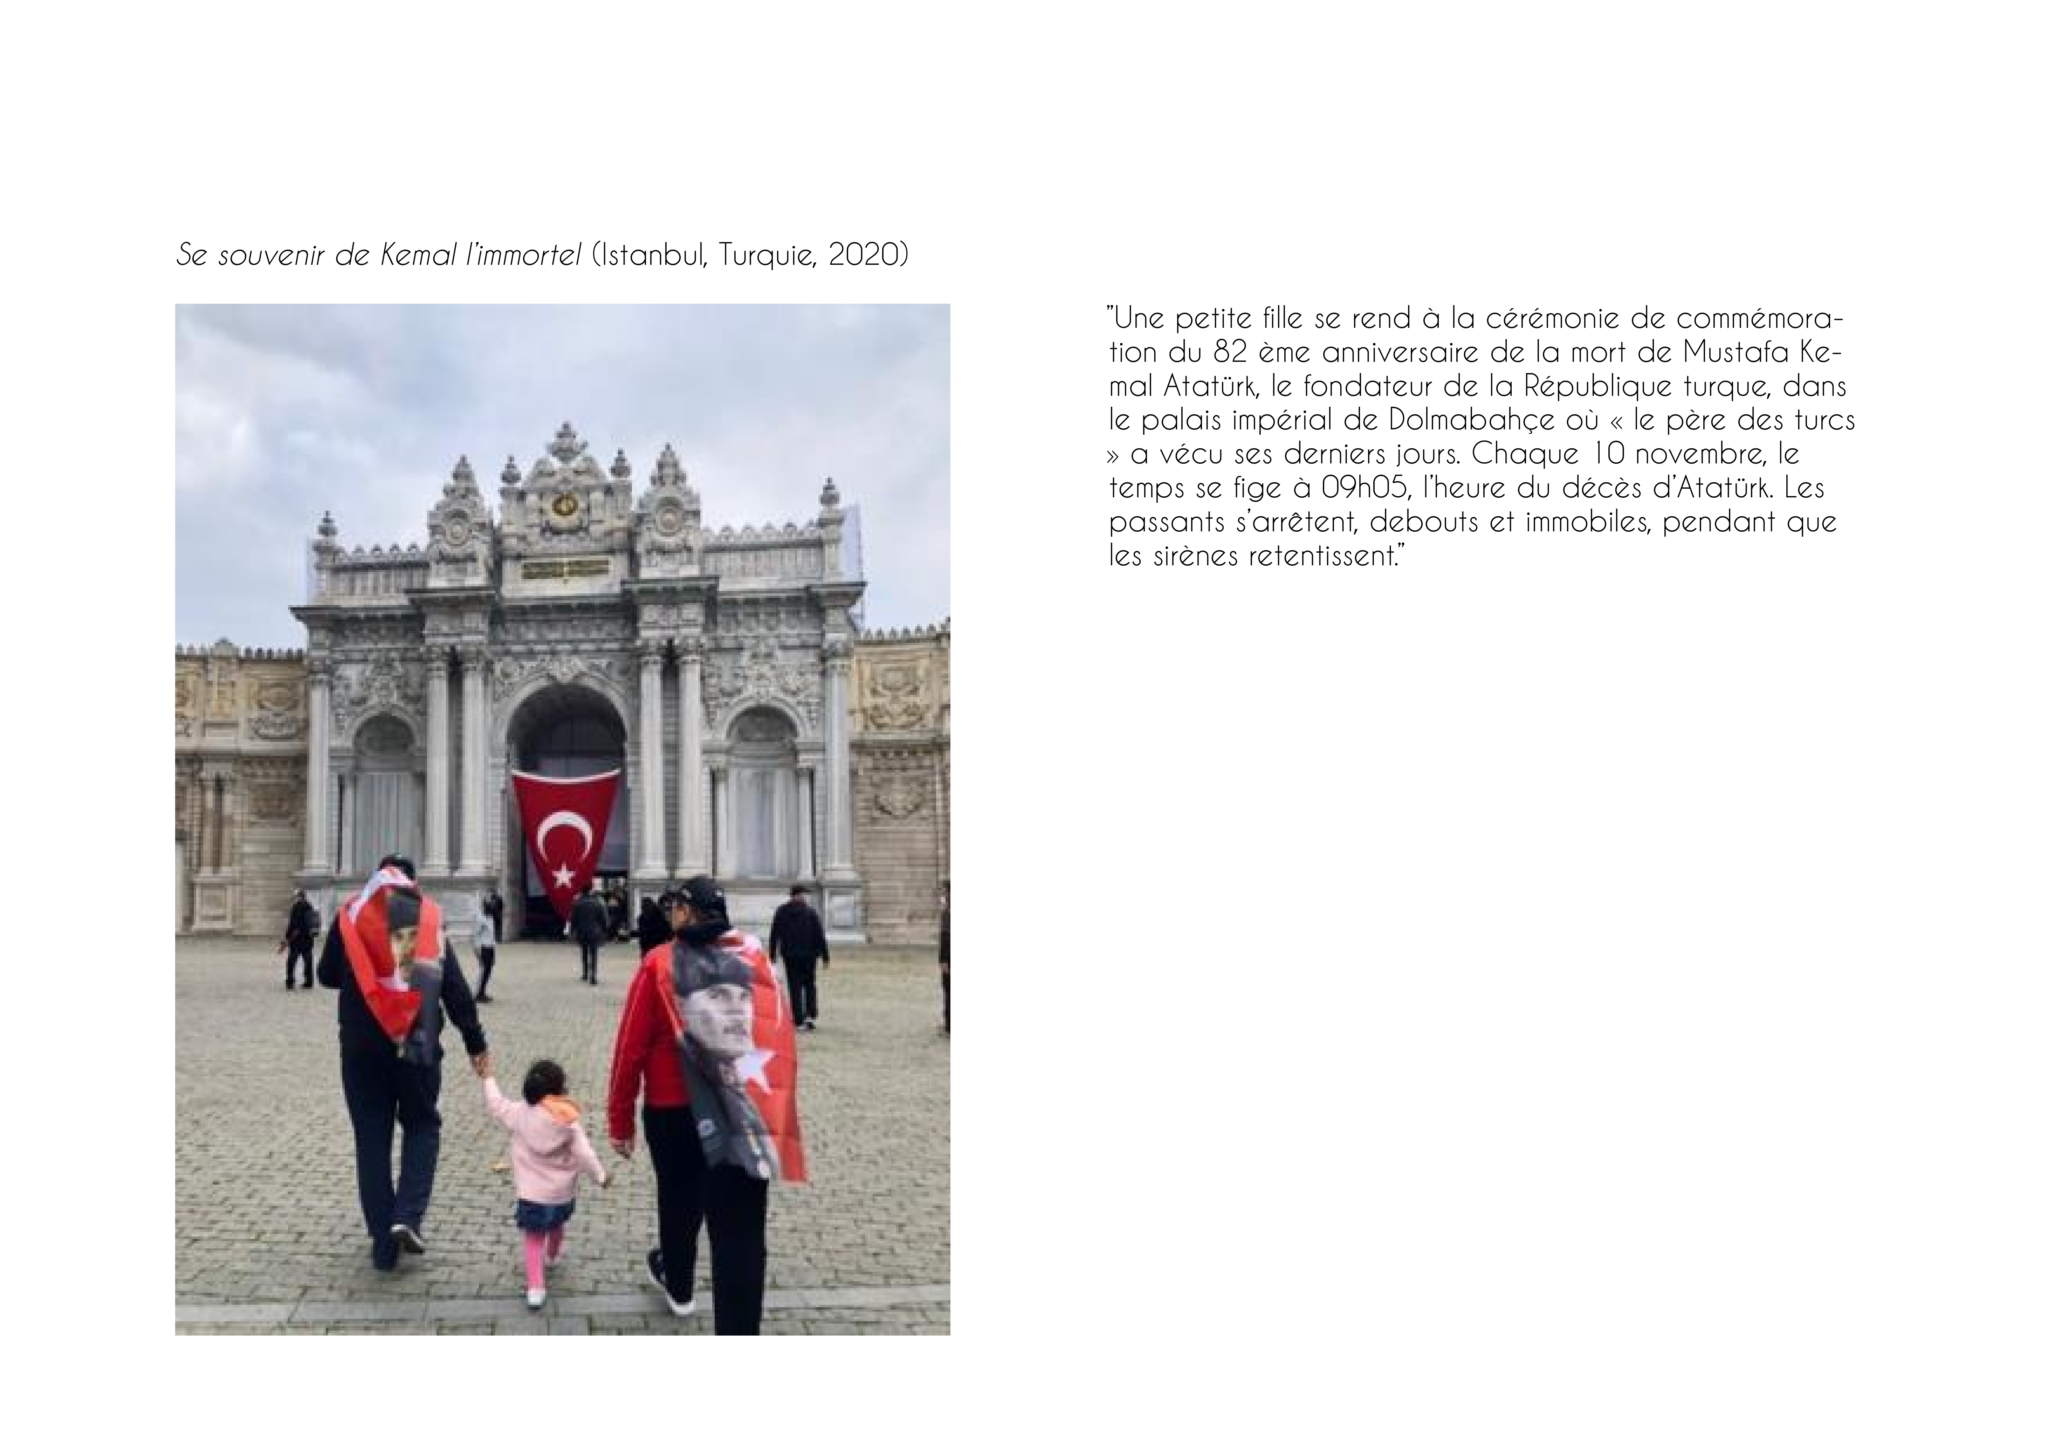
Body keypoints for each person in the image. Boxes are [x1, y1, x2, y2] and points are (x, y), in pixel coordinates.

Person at [607, 874, 805, 1335]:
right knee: (742, 1232)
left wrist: (620, 1119)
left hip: (673, 1110)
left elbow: (630, 1048)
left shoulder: (658, 964)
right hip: (742, 1108)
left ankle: (679, 1286)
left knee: (677, 1200)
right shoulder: (756, 960)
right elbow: (778, 1036)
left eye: (675, 907)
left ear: (687, 912)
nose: (670, 915)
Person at [317, 854, 490, 1271]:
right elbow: (454, 987)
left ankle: (383, 1243)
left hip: (361, 1046)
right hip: (416, 1039)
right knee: (422, 1124)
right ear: (414, 883)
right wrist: (475, 1042)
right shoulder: (426, 918)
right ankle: (407, 1216)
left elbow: (326, 975)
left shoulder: (351, 916)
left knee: (371, 1138)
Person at [481, 1058, 611, 1309]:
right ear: (560, 1089)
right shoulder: (567, 1120)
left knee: (533, 1239)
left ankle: (536, 1288)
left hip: (531, 1194)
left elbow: (497, 1104)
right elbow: (585, 1154)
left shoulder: (520, 1112)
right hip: (561, 1194)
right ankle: (552, 1256)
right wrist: (600, 1176)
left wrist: (488, 1077)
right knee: (556, 1226)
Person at [768, 884, 829, 1031]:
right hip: (808, 955)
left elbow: (774, 934)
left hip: (791, 955)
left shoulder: (782, 911)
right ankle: (809, 1016)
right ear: (797, 895)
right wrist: (825, 956)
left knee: (795, 986)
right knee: (809, 985)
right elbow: (819, 935)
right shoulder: (810, 912)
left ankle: (799, 1020)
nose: (804, 897)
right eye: (803, 894)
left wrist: (772, 954)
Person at [280, 889, 320, 991]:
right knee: (308, 962)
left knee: (291, 961)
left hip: (297, 939)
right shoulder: (310, 906)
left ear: (298, 897)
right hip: (308, 939)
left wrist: (287, 937)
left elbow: (293, 924)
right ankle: (309, 982)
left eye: (295, 896)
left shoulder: (296, 907)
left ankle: (290, 981)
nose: (294, 898)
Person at [570, 883, 608, 985]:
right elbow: (603, 919)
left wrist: (572, 931)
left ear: (582, 892)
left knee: (584, 952)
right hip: (594, 932)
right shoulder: (597, 903)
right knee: (594, 954)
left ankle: (585, 973)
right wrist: (605, 930)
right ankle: (593, 976)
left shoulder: (577, 903)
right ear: (590, 891)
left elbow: (573, 919)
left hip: (582, 931)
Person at [473, 894, 498, 1003]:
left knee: (488, 970)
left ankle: (482, 991)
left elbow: (491, 934)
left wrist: (494, 947)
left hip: (490, 947)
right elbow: (475, 935)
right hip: (483, 948)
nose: (493, 906)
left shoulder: (490, 917)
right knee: (483, 971)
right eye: (490, 904)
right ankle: (477, 994)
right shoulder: (480, 919)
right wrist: (477, 951)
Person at [637, 892, 672, 956]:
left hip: (649, 949)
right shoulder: (660, 916)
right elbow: (667, 932)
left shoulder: (641, 918)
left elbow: (642, 936)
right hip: (656, 947)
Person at [938, 881, 949, 1035]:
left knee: (948, 989)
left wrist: (943, 960)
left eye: (944, 892)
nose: (942, 895)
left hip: (949, 957)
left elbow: (946, 938)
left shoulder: (948, 913)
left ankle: (949, 1025)